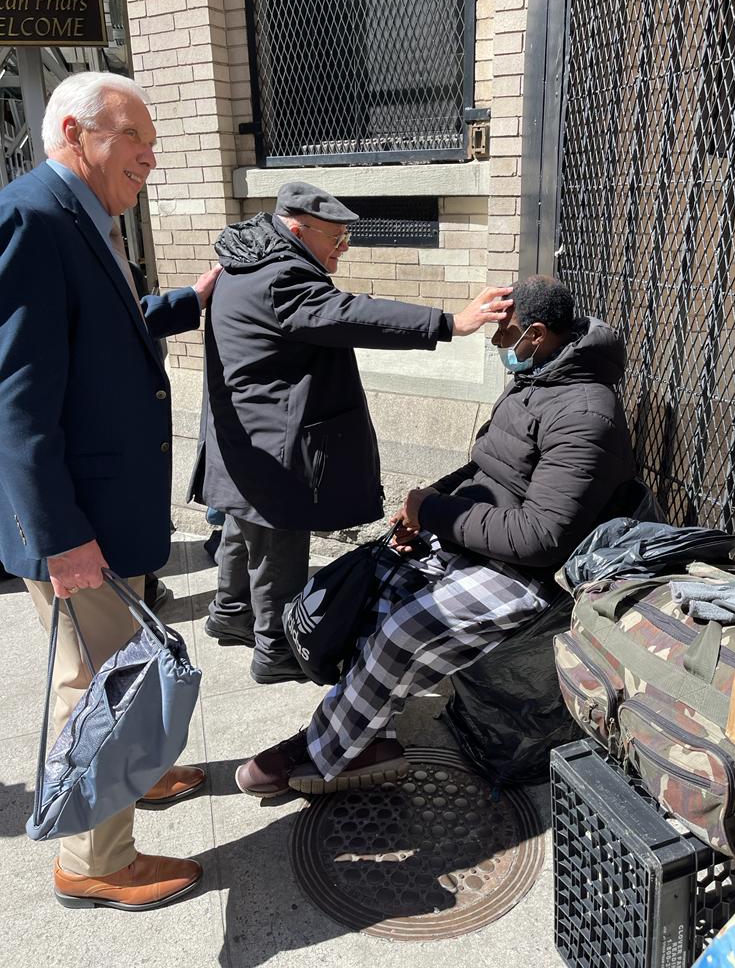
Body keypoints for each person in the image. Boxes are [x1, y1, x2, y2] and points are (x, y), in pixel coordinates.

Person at [233, 276, 637, 796]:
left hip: (533, 574)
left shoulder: (585, 413)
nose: (496, 343)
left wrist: (435, 512)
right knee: (375, 589)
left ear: (536, 334)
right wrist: (422, 505)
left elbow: (541, 537)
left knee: (404, 630)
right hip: (485, 539)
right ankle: (368, 738)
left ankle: (324, 749)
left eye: (503, 333)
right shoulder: (538, 378)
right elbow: (487, 467)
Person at [0, 72, 220, 910]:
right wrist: (60, 535)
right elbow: (16, 402)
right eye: (135, 138)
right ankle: (96, 861)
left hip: (104, 511)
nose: (150, 157)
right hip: (77, 522)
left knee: (117, 669)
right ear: (73, 132)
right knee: (98, 684)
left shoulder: (80, 216)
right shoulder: (31, 217)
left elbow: (99, 327)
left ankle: (139, 774)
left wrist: (188, 301)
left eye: (151, 143)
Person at [188, 180, 514, 683]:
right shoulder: (283, 277)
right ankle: (275, 651)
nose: (344, 247)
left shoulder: (246, 260)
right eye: (335, 238)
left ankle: (231, 613)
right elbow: (351, 314)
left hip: (242, 434)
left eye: (347, 237)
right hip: (272, 444)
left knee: (243, 522)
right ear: (298, 229)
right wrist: (451, 322)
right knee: (278, 544)